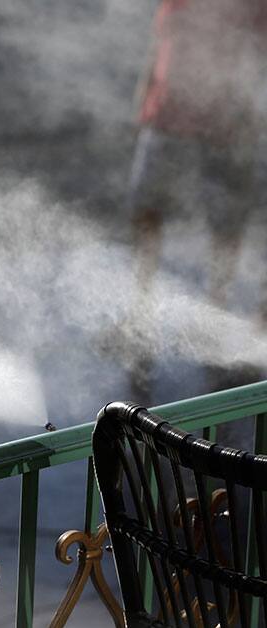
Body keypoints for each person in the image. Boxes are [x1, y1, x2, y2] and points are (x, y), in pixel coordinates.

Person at [125, 0, 267, 398]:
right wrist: (143, 101)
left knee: (226, 217)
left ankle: (216, 308)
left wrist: (250, 112)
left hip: (226, 120)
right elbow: (160, 45)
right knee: (145, 206)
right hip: (166, 113)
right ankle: (141, 305)